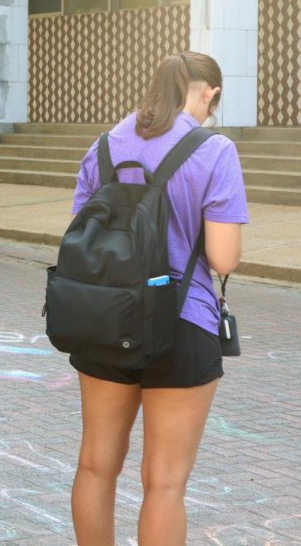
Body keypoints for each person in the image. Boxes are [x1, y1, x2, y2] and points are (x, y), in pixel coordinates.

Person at [67, 52, 247, 546]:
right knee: (164, 483)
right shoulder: (214, 150)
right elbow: (224, 258)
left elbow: (80, 235)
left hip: (104, 320)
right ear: (208, 92)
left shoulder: (104, 145)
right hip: (181, 320)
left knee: (95, 466)